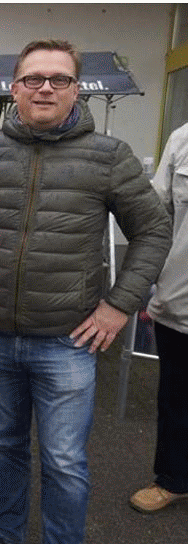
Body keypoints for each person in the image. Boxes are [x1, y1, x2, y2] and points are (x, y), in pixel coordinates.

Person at [0, 39, 172, 544]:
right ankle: (8, 538)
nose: (45, 88)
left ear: (75, 89)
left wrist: (119, 305)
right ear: (14, 88)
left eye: (59, 79)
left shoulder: (109, 157)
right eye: (34, 79)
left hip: (67, 342)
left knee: (64, 461)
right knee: (3, 446)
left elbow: (154, 230)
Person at [130, 121, 188, 513]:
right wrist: (143, 284)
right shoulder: (183, 139)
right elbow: (155, 219)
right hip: (181, 302)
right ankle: (173, 479)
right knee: (176, 398)